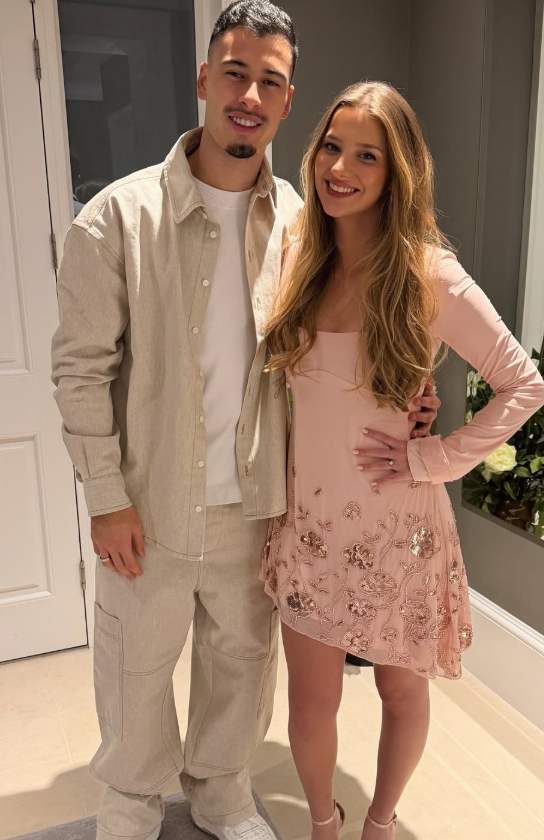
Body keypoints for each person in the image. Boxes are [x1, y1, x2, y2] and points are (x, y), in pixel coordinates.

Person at [51, 4, 439, 839]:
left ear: (288, 99)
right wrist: (105, 497)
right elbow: (80, 370)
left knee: (240, 665)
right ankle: (131, 800)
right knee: (134, 666)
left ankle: (222, 790)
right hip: (147, 502)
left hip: (259, 506)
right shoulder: (116, 219)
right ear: (203, 79)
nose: (249, 95)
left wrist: (406, 396)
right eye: (234, 73)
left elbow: (347, 340)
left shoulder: (306, 226)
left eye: (269, 80)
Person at [262, 81, 544, 840]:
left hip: (399, 528)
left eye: (367, 156)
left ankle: (380, 825)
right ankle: (323, 825)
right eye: (332, 147)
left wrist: (434, 457)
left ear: (397, 173)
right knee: (310, 704)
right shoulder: (297, 256)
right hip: (311, 525)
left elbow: (524, 385)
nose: (340, 168)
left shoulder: (429, 274)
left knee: (400, 692)